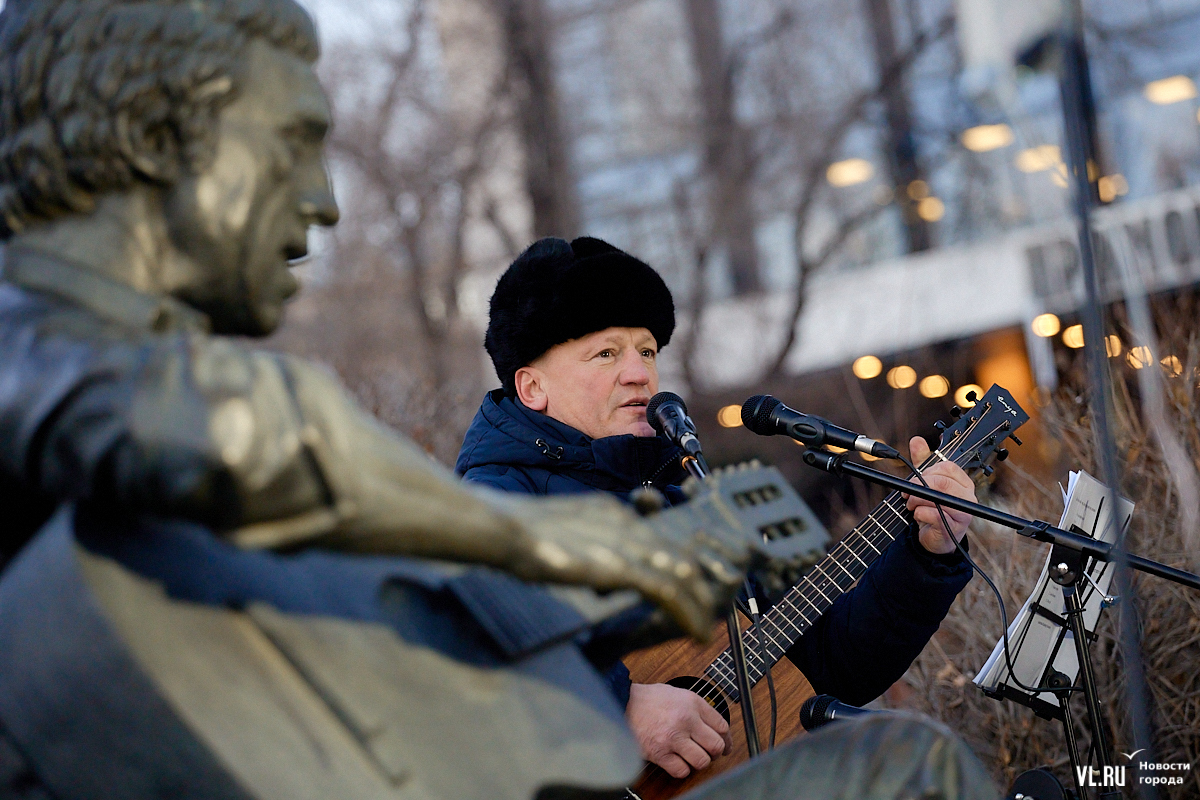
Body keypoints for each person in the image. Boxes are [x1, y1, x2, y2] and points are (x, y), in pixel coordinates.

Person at [0, 1, 757, 797]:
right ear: (151, 140)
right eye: (289, 142)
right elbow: (242, 427)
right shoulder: (63, 376)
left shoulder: (146, 499)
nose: (323, 202)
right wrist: (578, 548)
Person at [457, 236, 980, 781]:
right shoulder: (489, 503)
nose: (639, 373)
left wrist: (928, 554)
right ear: (532, 385)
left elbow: (833, 666)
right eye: (606, 353)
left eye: (647, 352)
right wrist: (619, 707)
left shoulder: (689, 492)